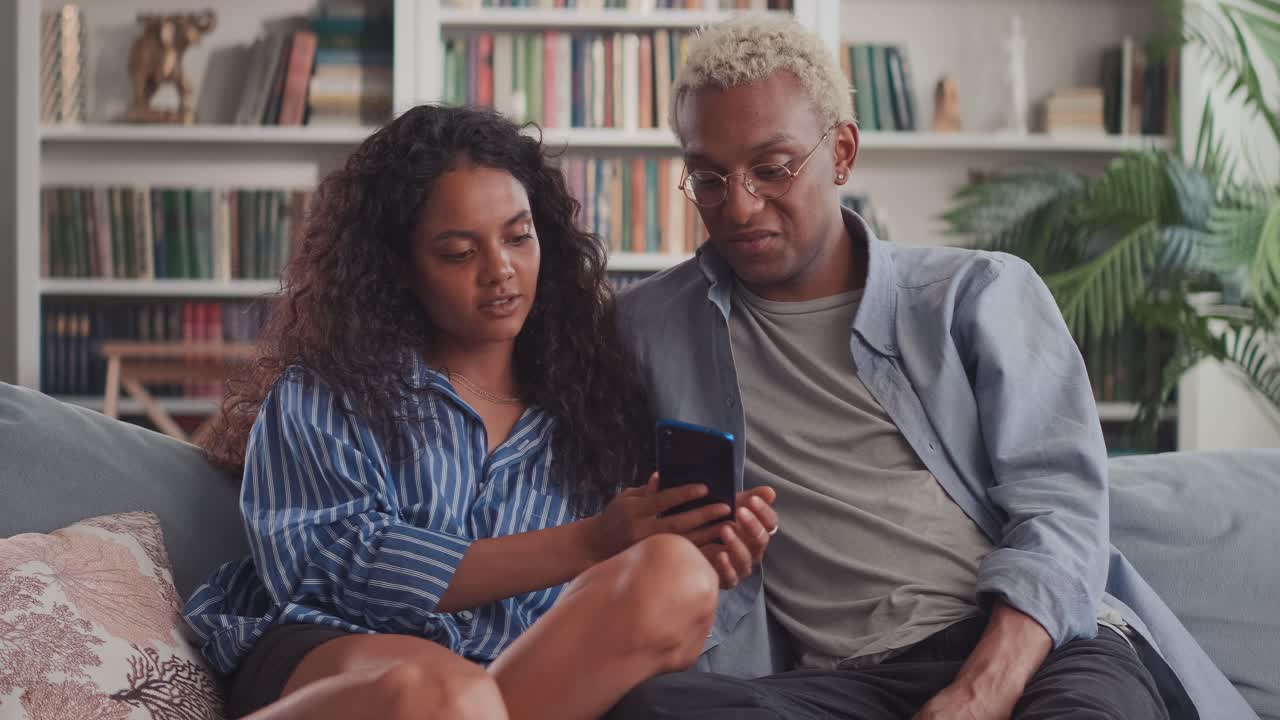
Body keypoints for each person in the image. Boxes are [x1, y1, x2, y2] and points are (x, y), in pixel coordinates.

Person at [606, 14, 1257, 720]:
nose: (738, 205)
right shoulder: (650, 326)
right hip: (843, 681)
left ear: (843, 153)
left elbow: (1061, 510)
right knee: (653, 708)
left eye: (772, 168)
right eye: (708, 178)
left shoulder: (976, 297)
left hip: (1034, 644)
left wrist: (980, 692)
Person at [182, 104, 779, 720]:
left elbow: (609, 606)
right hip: (333, 649)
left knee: (675, 576)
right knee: (450, 697)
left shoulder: (594, 403)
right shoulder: (327, 391)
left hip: (511, 670)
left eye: (518, 237)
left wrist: (705, 543)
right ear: (399, 267)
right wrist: (590, 541)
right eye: (459, 253)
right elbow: (328, 567)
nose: (501, 271)